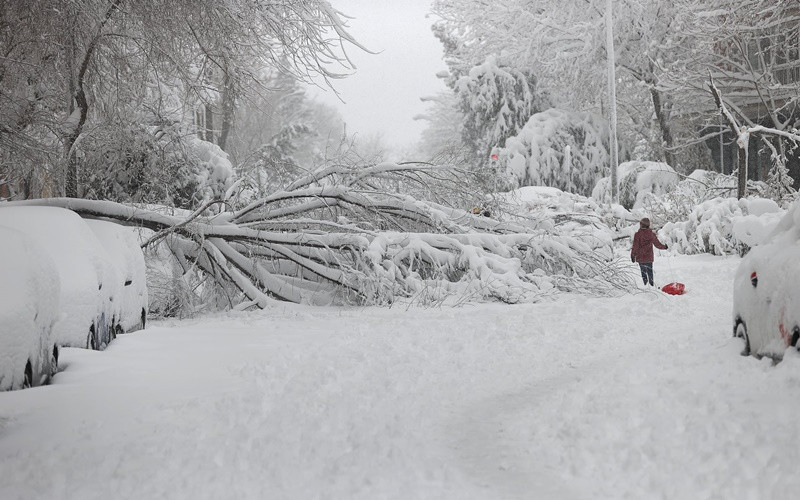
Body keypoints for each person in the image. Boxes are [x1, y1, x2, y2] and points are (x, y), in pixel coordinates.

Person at [631, 217, 667, 286]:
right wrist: (664, 247)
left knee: (643, 273)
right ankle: (651, 285)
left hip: (640, 257)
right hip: (649, 257)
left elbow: (635, 246)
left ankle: (646, 286)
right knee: (650, 272)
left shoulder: (637, 235)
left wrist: (633, 255)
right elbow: (657, 244)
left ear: (641, 225)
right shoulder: (651, 234)